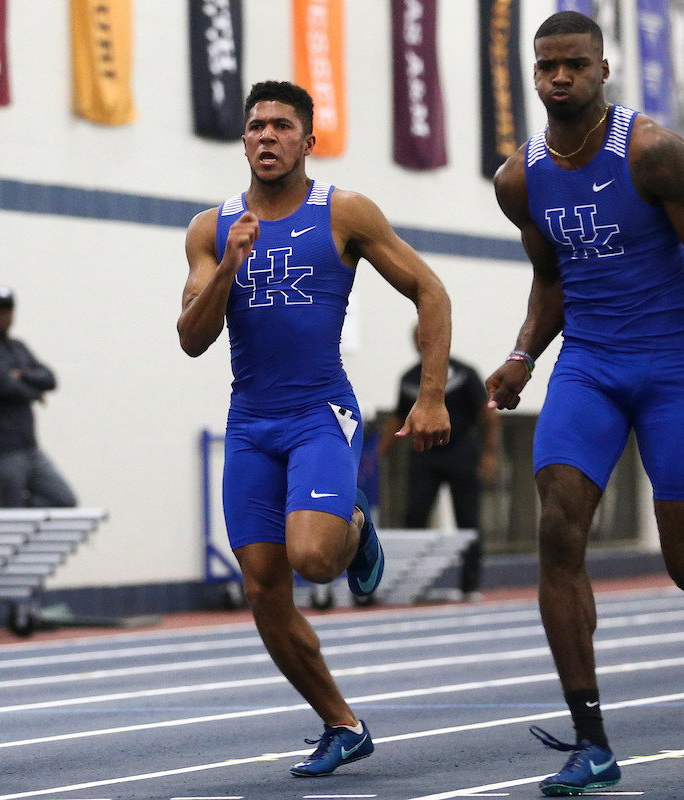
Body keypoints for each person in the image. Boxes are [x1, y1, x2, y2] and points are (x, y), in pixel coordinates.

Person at [486, 12, 684, 796]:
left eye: (574, 64)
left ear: (603, 68)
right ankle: (591, 740)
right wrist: (523, 355)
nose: (559, 77)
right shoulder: (519, 180)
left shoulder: (653, 152)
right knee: (559, 527)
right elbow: (551, 279)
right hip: (587, 367)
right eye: (546, 66)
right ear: (534, 72)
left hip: (667, 367)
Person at [178, 81, 452, 777]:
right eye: (256, 126)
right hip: (250, 424)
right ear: (243, 141)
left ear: (308, 141)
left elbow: (430, 290)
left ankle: (354, 526)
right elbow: (191, 339)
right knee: (263, 590)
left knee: (315, 560)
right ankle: (342, 723)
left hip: (319, 413)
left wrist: (431, 396)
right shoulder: (211, 228)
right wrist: (229, 265)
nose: (267, 136)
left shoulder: (344, 212)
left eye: (281, 125)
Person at [382, 326, 499, 600]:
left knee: (468, 520)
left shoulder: (464, 372)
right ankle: (411, 584)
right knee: (414, 517)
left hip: (460, 451)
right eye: (418, 339)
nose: (422, 343)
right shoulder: (409, 379)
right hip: (425, 454)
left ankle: (470, 586)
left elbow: (487, 414)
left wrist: (489, 453)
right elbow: (397, 418)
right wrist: (376, 454)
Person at [0, 288, 77, 508]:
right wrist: (35, 393)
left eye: (7, 311)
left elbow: (50, 378)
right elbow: (3, 385)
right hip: (3, 451)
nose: (3, 316)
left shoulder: (18, 347)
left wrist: (22, 374)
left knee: (64, 500)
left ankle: (26, 510)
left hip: (30, 447)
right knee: (11, 514)